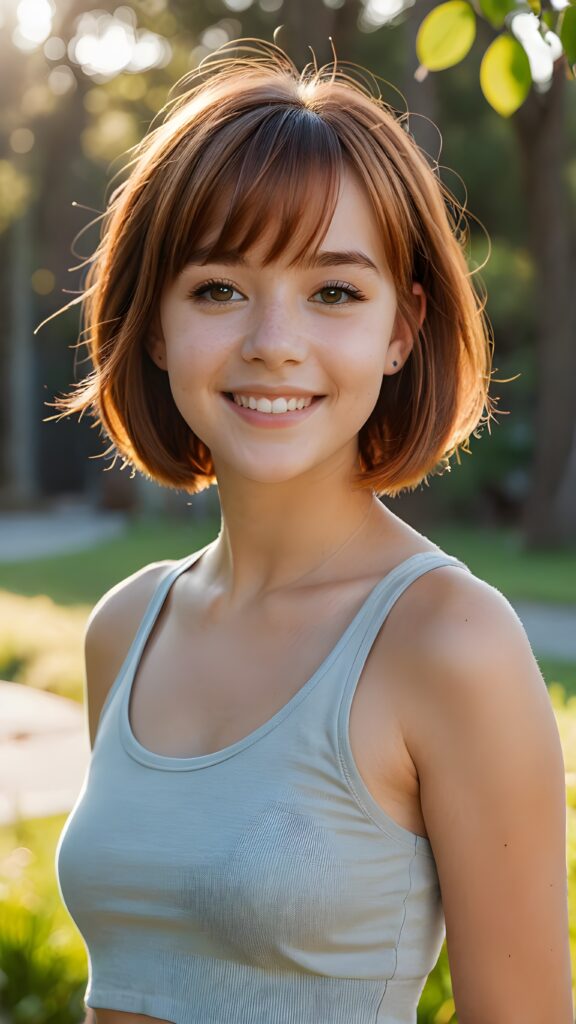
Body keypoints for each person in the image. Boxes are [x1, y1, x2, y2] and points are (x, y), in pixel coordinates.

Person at [51, 36, 572, 1024]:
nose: (273, 343)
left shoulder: (450, 642)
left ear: (401, 328)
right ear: (156, 324)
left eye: (334, 290)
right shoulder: (124, 627)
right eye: (218, 288)